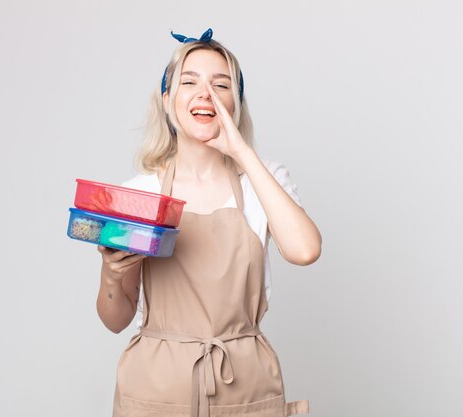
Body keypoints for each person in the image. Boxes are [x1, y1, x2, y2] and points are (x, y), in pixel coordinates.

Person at [95, 28, 322, 417]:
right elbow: (116, 319)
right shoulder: (141, 192)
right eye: (189, 82)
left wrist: (240, 150)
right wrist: (113, 273)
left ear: (236, 103)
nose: (206, 94)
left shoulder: (262, 180)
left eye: (222, 84)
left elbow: (305, 251)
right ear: (167, 102)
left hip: (245, 384)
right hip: (155, 388)